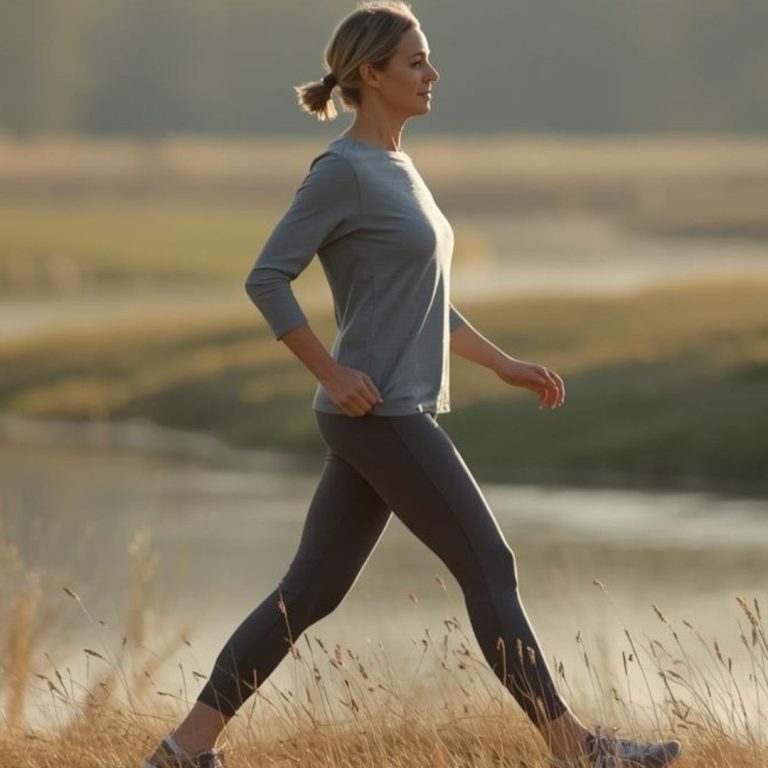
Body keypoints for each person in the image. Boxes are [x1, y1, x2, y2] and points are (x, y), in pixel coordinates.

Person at [143, 2, 683, 767]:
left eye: (427, 60)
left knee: (309, 594)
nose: (432, 74)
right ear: (371, 75)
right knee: (490, 565)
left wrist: (502, 363)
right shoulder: (342, 171)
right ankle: (579, 750)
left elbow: (426, 300)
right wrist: (330, 370)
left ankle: (183, 750)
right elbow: (266, 279)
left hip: (386, 410)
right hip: (379, 412)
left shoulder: (397, 165)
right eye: (416, 62)